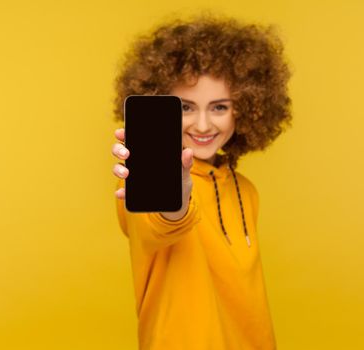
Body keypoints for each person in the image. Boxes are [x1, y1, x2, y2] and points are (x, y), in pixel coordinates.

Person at [111, 13, 292, 350]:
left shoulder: (246, 190)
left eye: (220, 107)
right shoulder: (144, 184)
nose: (204, 125)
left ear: (248, 108)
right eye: (185, 107)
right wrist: (176, 196)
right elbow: (163, 222)